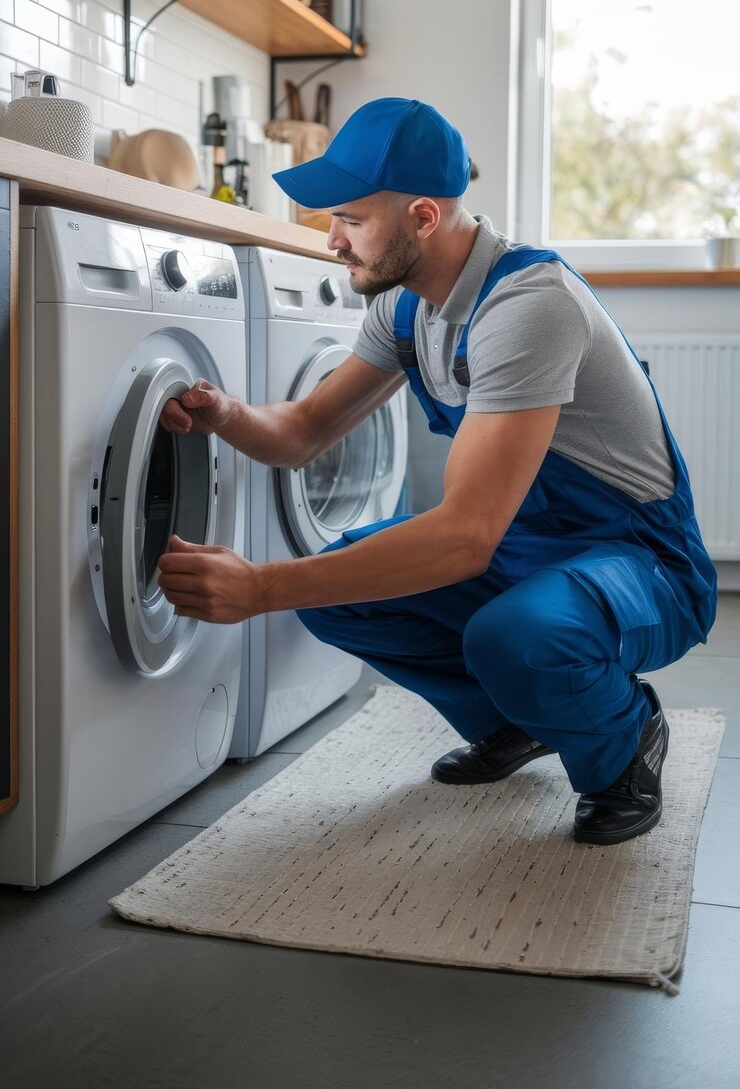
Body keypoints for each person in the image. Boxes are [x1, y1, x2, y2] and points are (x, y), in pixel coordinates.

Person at [158, 97, 717, 846]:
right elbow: (304, 431)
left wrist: (261, 587)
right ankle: (516, 721)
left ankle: (626, 742)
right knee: (339, 593)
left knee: (515, 636)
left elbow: (465, 538)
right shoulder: (405, 309)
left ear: (423, 216)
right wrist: (224, 413)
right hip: (526, 547)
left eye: (350, 219)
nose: (332, 240)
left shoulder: (529, 306)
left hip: (639, 562)